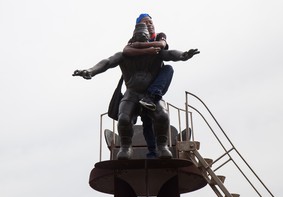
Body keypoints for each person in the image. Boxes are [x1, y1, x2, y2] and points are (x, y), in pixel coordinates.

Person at [73, 23, 199, 160]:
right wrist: (91, 71)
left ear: (148, 39)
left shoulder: (155, 52)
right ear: (132, 39)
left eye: (144, 37)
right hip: (131, 93)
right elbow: (108, 62)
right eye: (138, 37)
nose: (141, 39)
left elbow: (170, 54)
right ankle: (126, 148)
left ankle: (162, 146)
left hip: (149, 94)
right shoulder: (124, 55)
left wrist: (183, 55)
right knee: (124, 118)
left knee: (162, 116)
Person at [123, 14, 174, 158]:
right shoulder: (133, 40)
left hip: (154, 85)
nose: (150, 24)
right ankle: (153, 151)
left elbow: (162, 46)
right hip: (137, 89)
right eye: (145, 22)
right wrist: (146, 49)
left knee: (168, 69)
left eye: (151, 22)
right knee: (147, 121)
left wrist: (139, 46)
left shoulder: (159, 36)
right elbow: (126, 51)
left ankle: (151, 96)